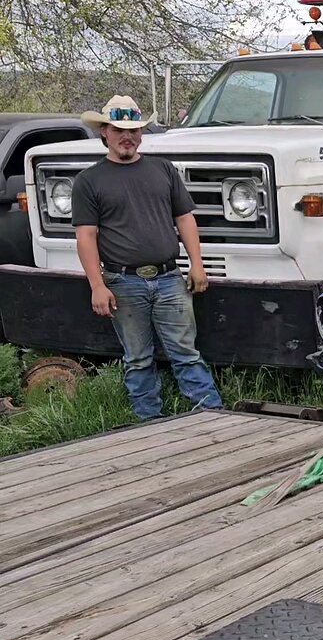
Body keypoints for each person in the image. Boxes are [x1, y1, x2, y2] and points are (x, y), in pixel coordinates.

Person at [72, 95, 223, 420]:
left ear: (142, 133)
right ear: (104, 133)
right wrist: (97, 285)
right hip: (123, 282)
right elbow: (86, 236)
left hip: (170, 279)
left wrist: (196, 264)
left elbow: (185, 219)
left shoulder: (163, 170)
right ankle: (149, 426)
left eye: (134, 130)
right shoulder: (89, 181)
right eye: (118, 130)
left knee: (186, 354)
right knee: (138, 359)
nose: (127, 137)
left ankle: (214, 418)